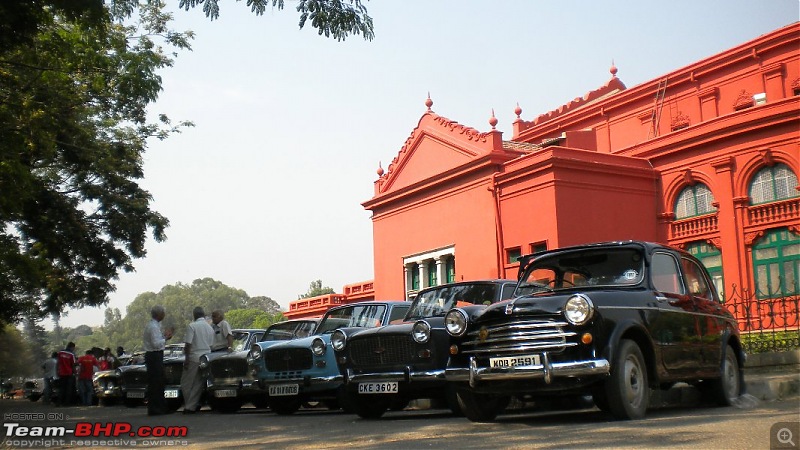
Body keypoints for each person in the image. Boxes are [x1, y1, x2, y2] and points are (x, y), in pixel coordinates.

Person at [180, 306, 214, 414]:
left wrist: (186, 358)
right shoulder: (210, 328)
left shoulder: (192, 326)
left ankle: (189, 405)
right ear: (203, 315)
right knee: (198, 383)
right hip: (206, 357)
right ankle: (192, 405)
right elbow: (211, 344)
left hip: (194, 356)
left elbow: (188, 344)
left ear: (194, 315)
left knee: (186, 382)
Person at [143, 305, 173, 416]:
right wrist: (165, 338)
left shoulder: (151, 325)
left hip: (152, 355)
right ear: (159, 314)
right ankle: (157, 408)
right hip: (154, 355)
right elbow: (156, 344)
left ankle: (157, 406)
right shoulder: (154, 327)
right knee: (157, 382)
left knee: (155, 382)